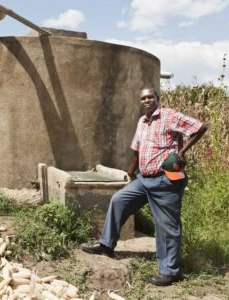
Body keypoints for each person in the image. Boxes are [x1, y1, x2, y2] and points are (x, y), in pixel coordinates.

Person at [81, 87, 207, 286]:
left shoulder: (169, 116)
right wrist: (130, 172)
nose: (146, 100)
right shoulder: (142, 121)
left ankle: (170, 271)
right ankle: (106, 245)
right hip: (144, 179)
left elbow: (200, 127)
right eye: (143, 98)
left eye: (150, 97)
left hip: (166, 180)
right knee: (119, 200)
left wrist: (182, 152)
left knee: (166, 226)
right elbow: (137, 150)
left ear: (157, 99)